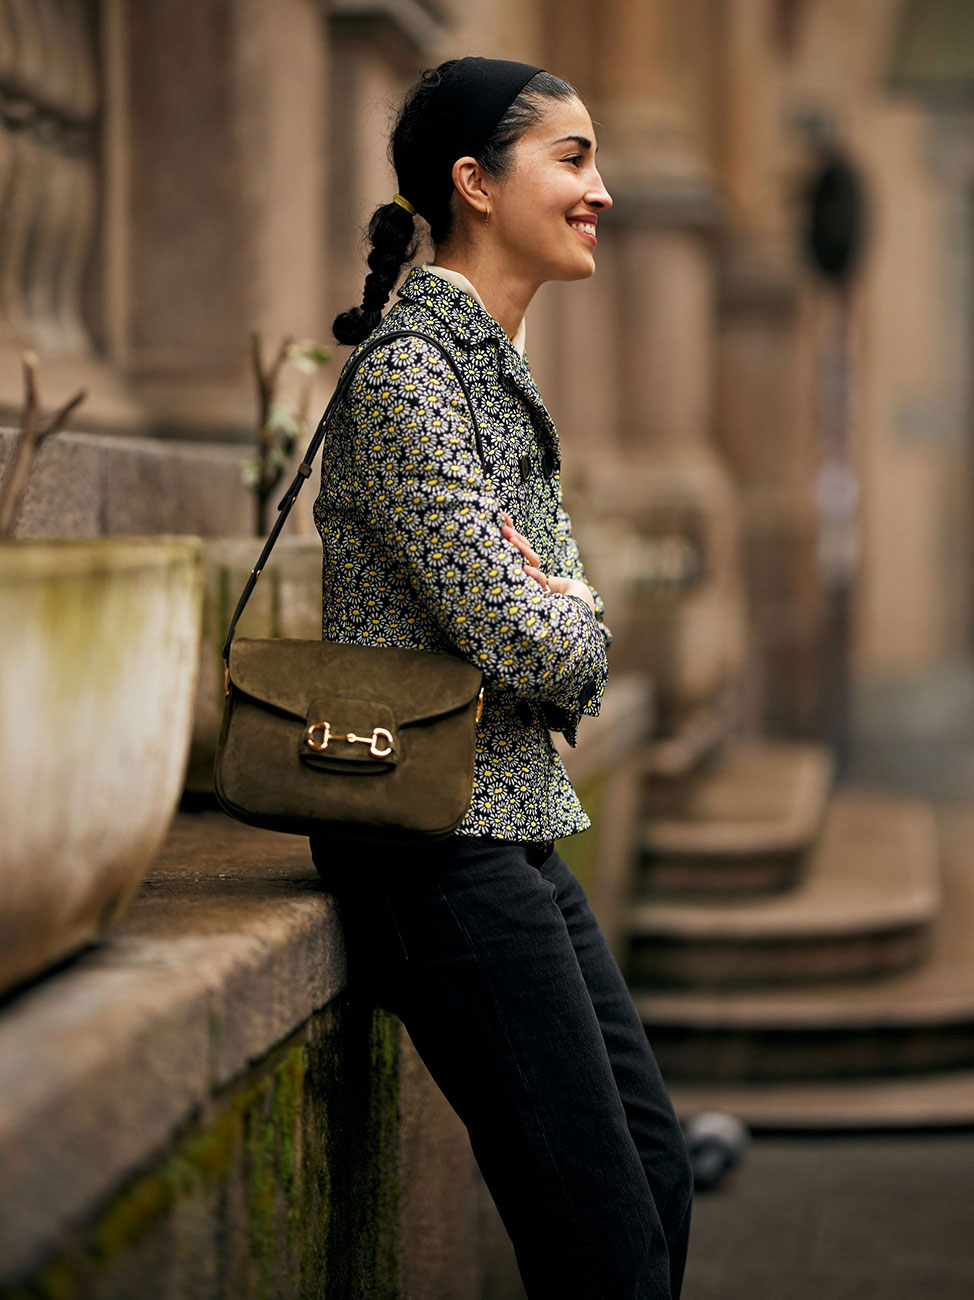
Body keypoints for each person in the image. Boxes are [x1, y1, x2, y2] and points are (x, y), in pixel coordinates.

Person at [308, 55, 694, 1299]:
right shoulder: (412, 379)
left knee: (655, 1174)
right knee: (602, 1245)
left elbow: (552, 632)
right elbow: (549, 641)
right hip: (435, 844)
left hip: (508, 824)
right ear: (474, 184)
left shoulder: (492, 371)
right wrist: (566, 608)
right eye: (573, 159)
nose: (603, 191)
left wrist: (556, 609)